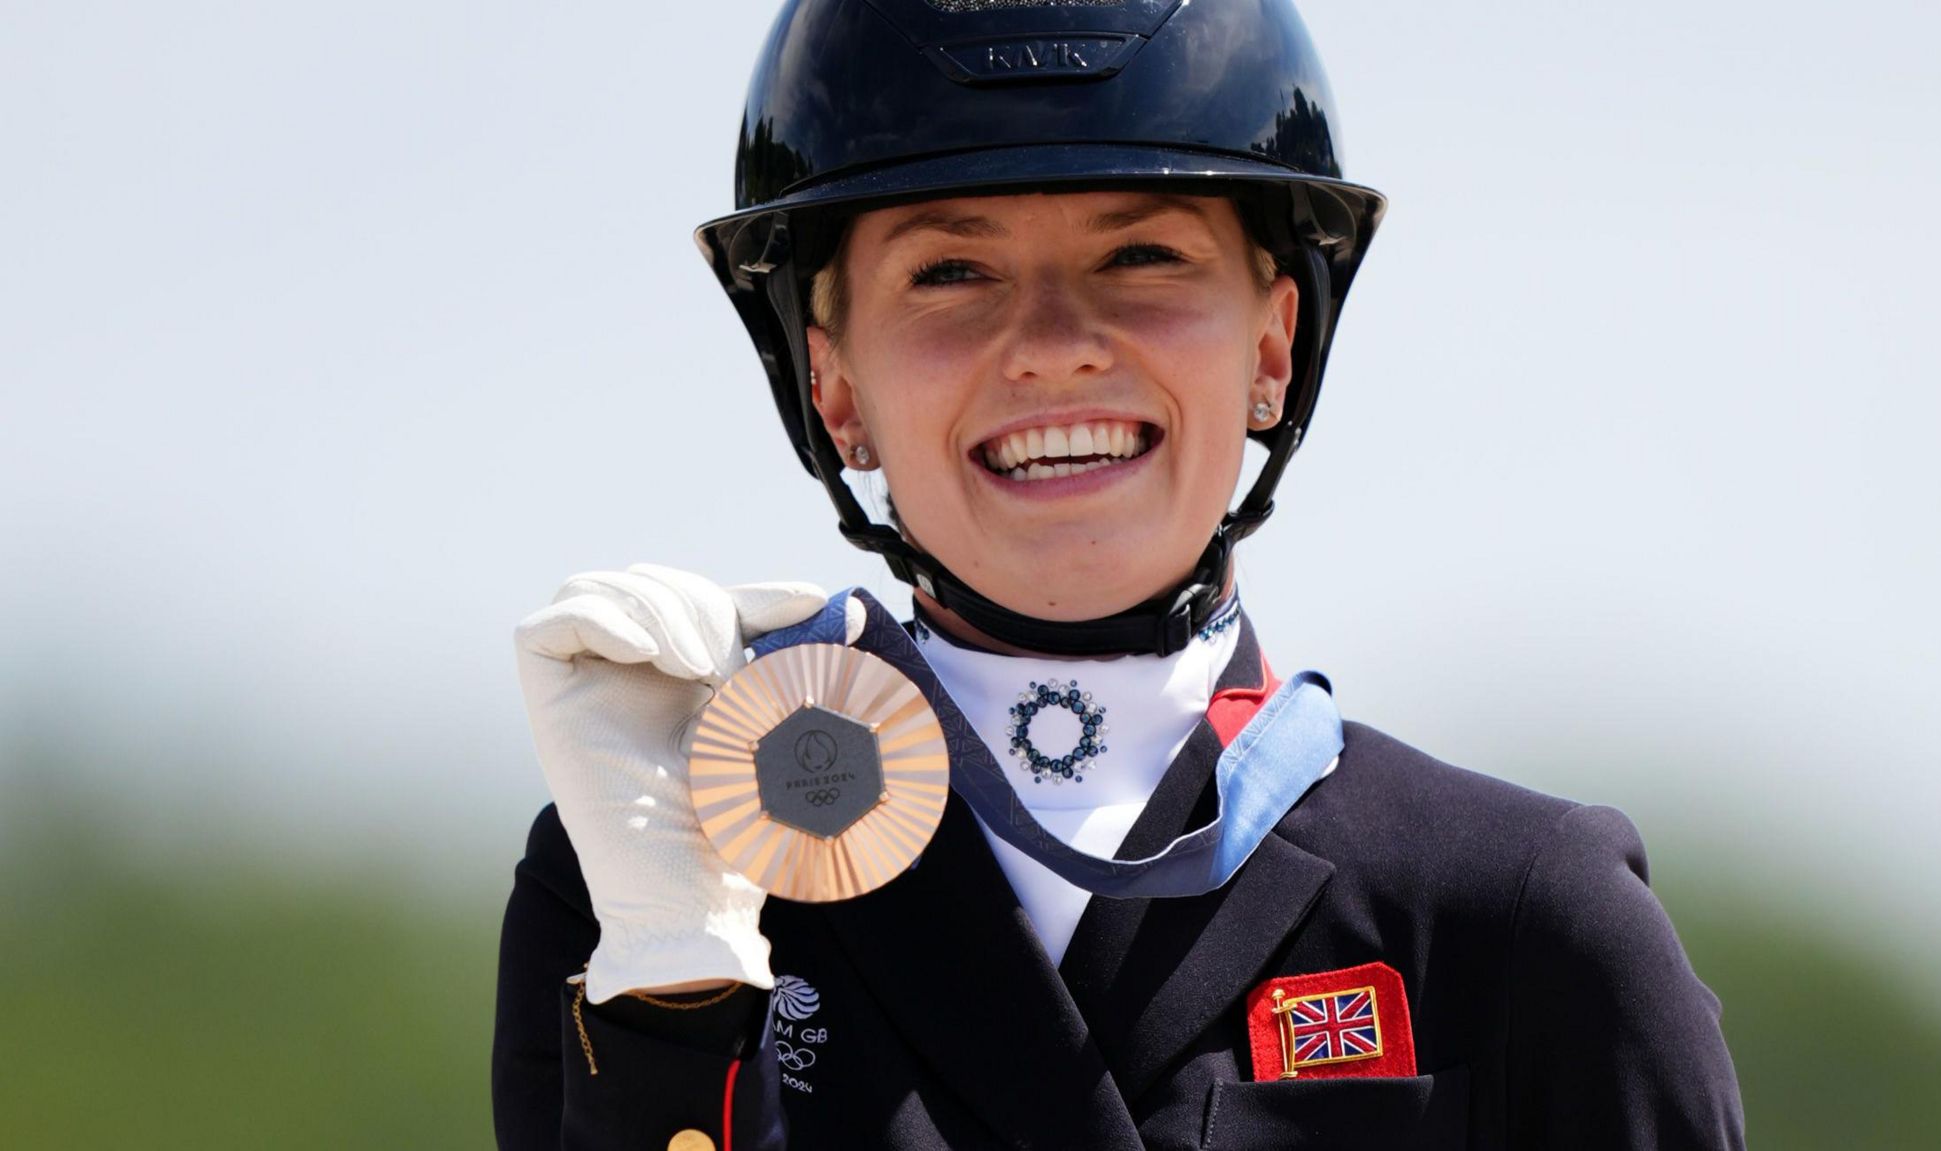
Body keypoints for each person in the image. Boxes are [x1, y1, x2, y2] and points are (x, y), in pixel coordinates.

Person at [492, 1, 1746, 1148]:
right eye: (950, 272)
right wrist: (673, 982)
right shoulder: (652, 879)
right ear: (832, 385)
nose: (1048, 345)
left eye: (1141, 257)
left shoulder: (1520, 916)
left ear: (1271, 342)